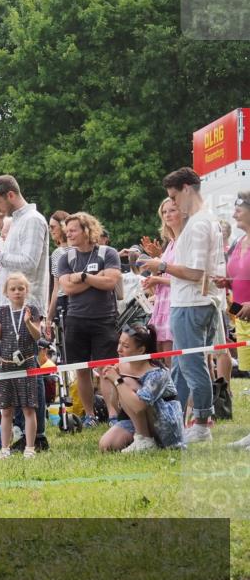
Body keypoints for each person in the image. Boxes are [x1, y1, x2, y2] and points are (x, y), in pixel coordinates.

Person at [141, 167, 226, 443]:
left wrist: (161, 265)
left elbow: (195, 272)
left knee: (191, 364)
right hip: (189, 302)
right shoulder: (201, 221)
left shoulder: (200, 223)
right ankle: (175, 422)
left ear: (187, 189)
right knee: (180, 365)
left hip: (193, 303)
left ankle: (201, 423)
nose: (173, 204)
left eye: (174, 197)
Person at [0, 175, 50, 445]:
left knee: (29, 367)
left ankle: (37, 435)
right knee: (12, 366)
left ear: (10, 194)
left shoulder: (33, 220)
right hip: (8, 305)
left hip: (27, 304)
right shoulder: (17, 221)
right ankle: (20, 429)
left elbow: (28, 263)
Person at [57, 212, 123, 427]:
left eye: (73, 230)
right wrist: (97, 278)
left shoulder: (107, 252)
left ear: (87, 230)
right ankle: (90, 415)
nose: (69, 234)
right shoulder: (65, 257)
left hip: (104, 319)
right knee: (82, 370)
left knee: (106, 369)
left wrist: (84, 277)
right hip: (76, 319)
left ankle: (113, 415)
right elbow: (67, 288)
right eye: (67, 231)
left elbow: (111, 283)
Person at [97, 324, 185, 453]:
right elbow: (117, 408)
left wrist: (118, 380)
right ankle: (141, 438)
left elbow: (139, 406)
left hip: (165, 424)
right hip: (135, 420)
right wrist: (113, 383)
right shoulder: (121, 366)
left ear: (141, 350)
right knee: (106, 445)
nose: (119, 349)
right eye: (119, 343)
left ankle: (145, 440)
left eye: (125, 346)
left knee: (127, 382)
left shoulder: (158, 373)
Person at [0, 273, 42, 459]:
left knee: (28, 408)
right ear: (6, 292)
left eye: (21, 288)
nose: (17, 292)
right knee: (6, 409)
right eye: (13, 289)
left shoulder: (32, 310)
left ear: (26, 290)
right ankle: (4, 448)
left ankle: (30, 447)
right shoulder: (2, 312)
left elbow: (37, 336)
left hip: (26, 364)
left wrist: (27, 322)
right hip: (7, 365)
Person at [218, 194, 250, 448]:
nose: (235, 213)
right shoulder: (239, 242)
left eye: (239, 208)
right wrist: (224, 282)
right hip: (241, 318)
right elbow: (236, 275)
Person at [144, 198, 183, 365]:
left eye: (172, 210)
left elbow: (185, 277)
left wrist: (157, 278)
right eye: (164, 212)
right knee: (164, 356)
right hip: (163, 303)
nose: (167, 215)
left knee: (173, 358)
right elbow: (166, 272)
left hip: (176, 303)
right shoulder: (172, 243)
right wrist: (157, 261)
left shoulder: (184, 241)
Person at [46, 210, 71, 337]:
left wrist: (48, 318)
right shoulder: (80, 249)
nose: (51, 230)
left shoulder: (58, 253)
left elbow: (57, 289)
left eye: (53, 227)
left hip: (65, 302)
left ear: (63, 227)